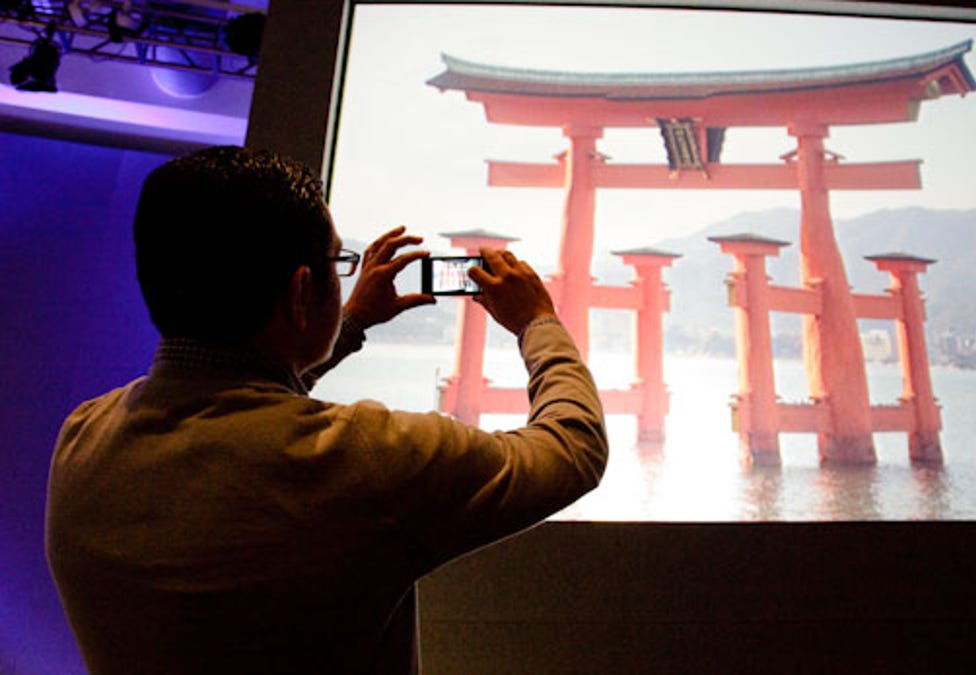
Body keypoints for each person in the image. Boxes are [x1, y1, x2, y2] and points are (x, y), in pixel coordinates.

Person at [44, 146, 608, 674]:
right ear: (300, 292)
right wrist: (538, 320)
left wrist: (347, 323)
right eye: (337, 265)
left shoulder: (82, 435)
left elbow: (239, 401)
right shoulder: (368, 455)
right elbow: (571, 448)